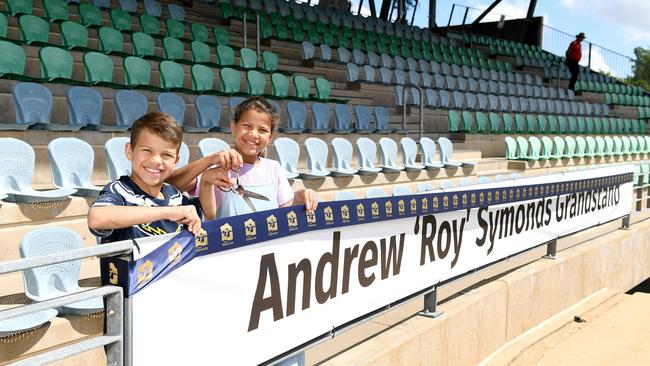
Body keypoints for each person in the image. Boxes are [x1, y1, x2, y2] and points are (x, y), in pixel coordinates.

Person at [168, 96, 318, 219]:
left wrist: (300, 197)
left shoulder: (273, 168)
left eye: (262, 130)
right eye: (247, 126)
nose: (253, 134)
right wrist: (209, 160)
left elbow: (285, 213)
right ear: (233, 127)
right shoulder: (216, 168)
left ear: (270, 137)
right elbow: (170, 185)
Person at [88, 112, 213, 243]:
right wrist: (167, 212)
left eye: (166, 155)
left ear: (176, 160)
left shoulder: (175, 195)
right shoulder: (119, 191)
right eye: (147, 151)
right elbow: (96, 218)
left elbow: (208, 214)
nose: (156, 160)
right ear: (129, 151)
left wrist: (207, 181)